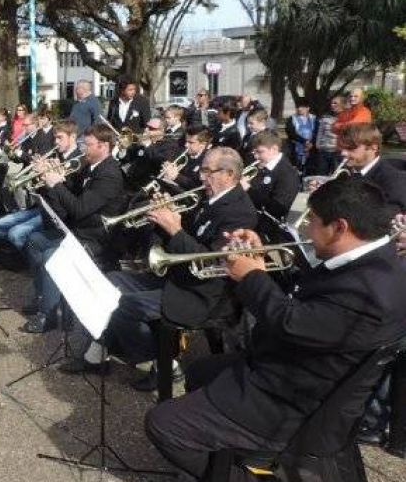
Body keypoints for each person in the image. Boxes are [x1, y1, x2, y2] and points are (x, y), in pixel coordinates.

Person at [145, 177, 406, 481]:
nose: (305, 227)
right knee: (200, 372)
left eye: (313, 220)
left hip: (290, 399)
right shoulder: (374, 261)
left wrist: (252, 277)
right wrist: (262, 259)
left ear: (339, 227)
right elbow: (310, 300)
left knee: (162, 424)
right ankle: (222, 448)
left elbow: (289, 322)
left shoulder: (369, 293)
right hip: (296, 367)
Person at [60, 148, 259, 388]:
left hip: (203, 291)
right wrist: (163, 219)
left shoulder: (239, 212)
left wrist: (174, 228)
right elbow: (187, 237)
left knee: (122, 305)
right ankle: (97, 355)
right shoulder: (212, 196)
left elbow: (210, 262)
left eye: (207, 171)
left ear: (229, 174)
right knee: (108, 282)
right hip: (179, 275)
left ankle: (165, 363)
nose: (200, 176)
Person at [21, 123, 128, 332]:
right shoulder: (91, 165)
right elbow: (70, 194)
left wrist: (57, 184)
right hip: (78, 230)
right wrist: (52, 177)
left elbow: (79, 209)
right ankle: (44, 296)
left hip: (96, 238)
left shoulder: (110, 174)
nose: (83, 149)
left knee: (51, 256)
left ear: (104, 146)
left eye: (87, 145)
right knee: (34, 240)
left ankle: (49, 315)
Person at [0, 120, 82, 251]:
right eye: (55, 138)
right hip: (41, 206)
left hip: (57, 213)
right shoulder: (56, 155)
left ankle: (30, 257)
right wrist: (39, 174)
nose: (56, 142)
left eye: (60, 138)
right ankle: (21, 253)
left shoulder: (78, 161)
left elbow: (71, 193)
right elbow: (39, 189)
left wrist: (54, 179)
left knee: (16, 234)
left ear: (73, 137)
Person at [338, 123, 406, 212]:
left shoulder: (393, 181)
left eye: (351, 148)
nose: (343, 153)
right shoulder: (346, 172)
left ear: (373, 148)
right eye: (342, 148)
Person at [240, 130, 300, 222]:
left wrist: (248, 190)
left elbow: (279, 209)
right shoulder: (257, 166)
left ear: (274, 149)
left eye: (260, 152)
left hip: (265, 225)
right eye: (254, 152)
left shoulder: (288, 173)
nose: (256, 156)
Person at [159, 124, 211, 192]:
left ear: (203, 145)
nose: (186, 145)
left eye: (191, 142)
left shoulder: (208, 161)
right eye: (186, 141)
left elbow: (199, 187)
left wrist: (176, 177)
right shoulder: (182, 153)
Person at [313, 94, 345, 175]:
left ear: (342, 104)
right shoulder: (325, 117)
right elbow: (320, 132)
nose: (332, 105)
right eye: (332, 103)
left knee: (336, 175)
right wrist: (318, 144)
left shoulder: (346, 117)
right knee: (321, 174)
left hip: (337, 152)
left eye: (335, 103)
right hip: (324, 150)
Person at [285, 99, 317, 173]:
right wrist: (304, 141)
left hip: (311, 148)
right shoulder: (292, 118)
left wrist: (311, 143)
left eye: (302, 107)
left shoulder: (314, 118)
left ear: (308, 108)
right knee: (296, 169)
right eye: (298, 107)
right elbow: (291, 132)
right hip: (296, 148)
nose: (299, 109)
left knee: (310, 169)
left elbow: (317, 132)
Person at [68, 80, 100, 146]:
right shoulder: (78, 102)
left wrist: (91, 136)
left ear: (83, 89)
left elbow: (97, 120)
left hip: (84, 139)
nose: (75, 90)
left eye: (77, 88)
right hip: (75, 137)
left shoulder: (93, 102)